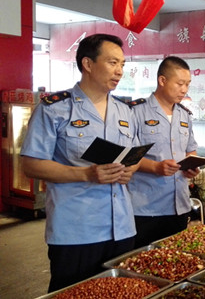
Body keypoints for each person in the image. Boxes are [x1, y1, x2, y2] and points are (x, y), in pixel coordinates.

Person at [20, 34, 139, 292]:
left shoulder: (125, 111)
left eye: (122, 64)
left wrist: (130, 169)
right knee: (72, 293)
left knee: (119, 293)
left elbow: (135, 156)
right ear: (87, 64)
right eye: (112, 63)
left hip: (122, 227)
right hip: (76, 230)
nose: (119, 71)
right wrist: (87, 174)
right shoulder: (55, 109)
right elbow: (31, 164)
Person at [128, 56, 200, 248]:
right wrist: (155, 167)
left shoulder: (185, 115)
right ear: (162, 80)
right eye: (180, 83)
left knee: (176, 262)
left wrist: (191, 166)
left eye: (188, 84)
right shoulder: (136, 112)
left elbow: (190, 149)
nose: (184, 90)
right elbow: (127, 156)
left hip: (179, 206)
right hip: (145, 208)